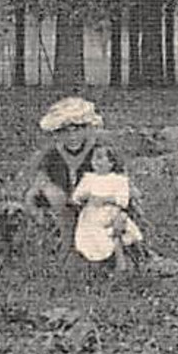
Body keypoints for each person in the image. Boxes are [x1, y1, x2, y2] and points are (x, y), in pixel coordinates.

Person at [24, 96, 126, 253]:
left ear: (87, 128)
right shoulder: (52, 155)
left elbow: (121, 185)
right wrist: (48, 189)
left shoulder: (100, 152)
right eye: (65, 131)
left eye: (77, 130)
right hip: (62, 216)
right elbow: (37, 185)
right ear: (57, 133)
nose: (72, 137)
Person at [70, 144, 151, 271]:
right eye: (94, 159)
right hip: (91, 215)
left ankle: (123, 261)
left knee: (117, 231)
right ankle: (98, 265)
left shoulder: (119, 180)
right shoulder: (88, 178)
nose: (96, 162)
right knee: (91, 236)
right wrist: (85, 196)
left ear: (111, 162)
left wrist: (106, 199)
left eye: (101, 158)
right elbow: (76, 197)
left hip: (111, 213)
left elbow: (123, 200)